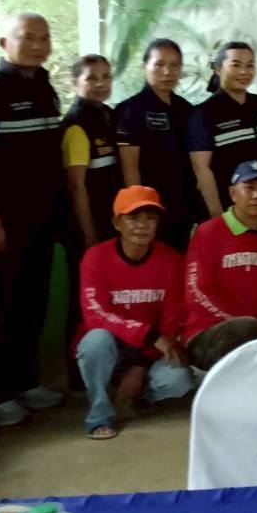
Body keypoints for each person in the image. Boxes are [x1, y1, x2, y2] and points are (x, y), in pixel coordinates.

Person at [0, 13, 66, 427]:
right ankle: (0, 393)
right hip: (7, 222)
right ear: (4, 42)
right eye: (28, 38)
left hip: (42, 219)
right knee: (2, 305)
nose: (39, 46)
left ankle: (25, 383)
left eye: (45, 38)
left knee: (31, 302)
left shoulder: (43, 86)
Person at [76, 186, 191, 439]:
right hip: (113, 346)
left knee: (179, 380)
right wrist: (147, 333)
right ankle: (100, 413)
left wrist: (141, 366)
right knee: (95, 341)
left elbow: (172, 320)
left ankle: (137, 396)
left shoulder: (172, 260)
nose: (142, 225)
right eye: (133, 218)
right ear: (117, 223)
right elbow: (96, 315)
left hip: (150, 350)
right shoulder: (95, 257)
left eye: (150, 218)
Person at [182, 160, 257, 370]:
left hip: (255, 334)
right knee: (248, 332)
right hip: (207, 334)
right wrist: (239, 321)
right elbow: (197, 292)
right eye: (249, 188)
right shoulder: (209, 232)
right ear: (233, 193)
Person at [115, 38, 196, 251]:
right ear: (144, 67)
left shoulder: (186, 109)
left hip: (182, 205)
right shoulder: (131, 109)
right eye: (159, 64)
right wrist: (138, 209)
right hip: (150, 209)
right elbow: (129, 165)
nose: (167, 72)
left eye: (174, 65)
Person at [188, 42, 257, 218]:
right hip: (228, 212)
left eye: (250, 65)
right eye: (236, 65)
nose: (244, 72)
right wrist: (216, 215)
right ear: (218, 69)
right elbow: (201, 168)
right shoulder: (204, 113)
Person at [62, 54, 121, 249]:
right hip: (91, 225)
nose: (101, 84)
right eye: (91, 78)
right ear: (74, 84)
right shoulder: (77, 124)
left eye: (106, 76)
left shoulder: (108, 115)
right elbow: (76, 186)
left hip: (112, 218)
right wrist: (89, 235)